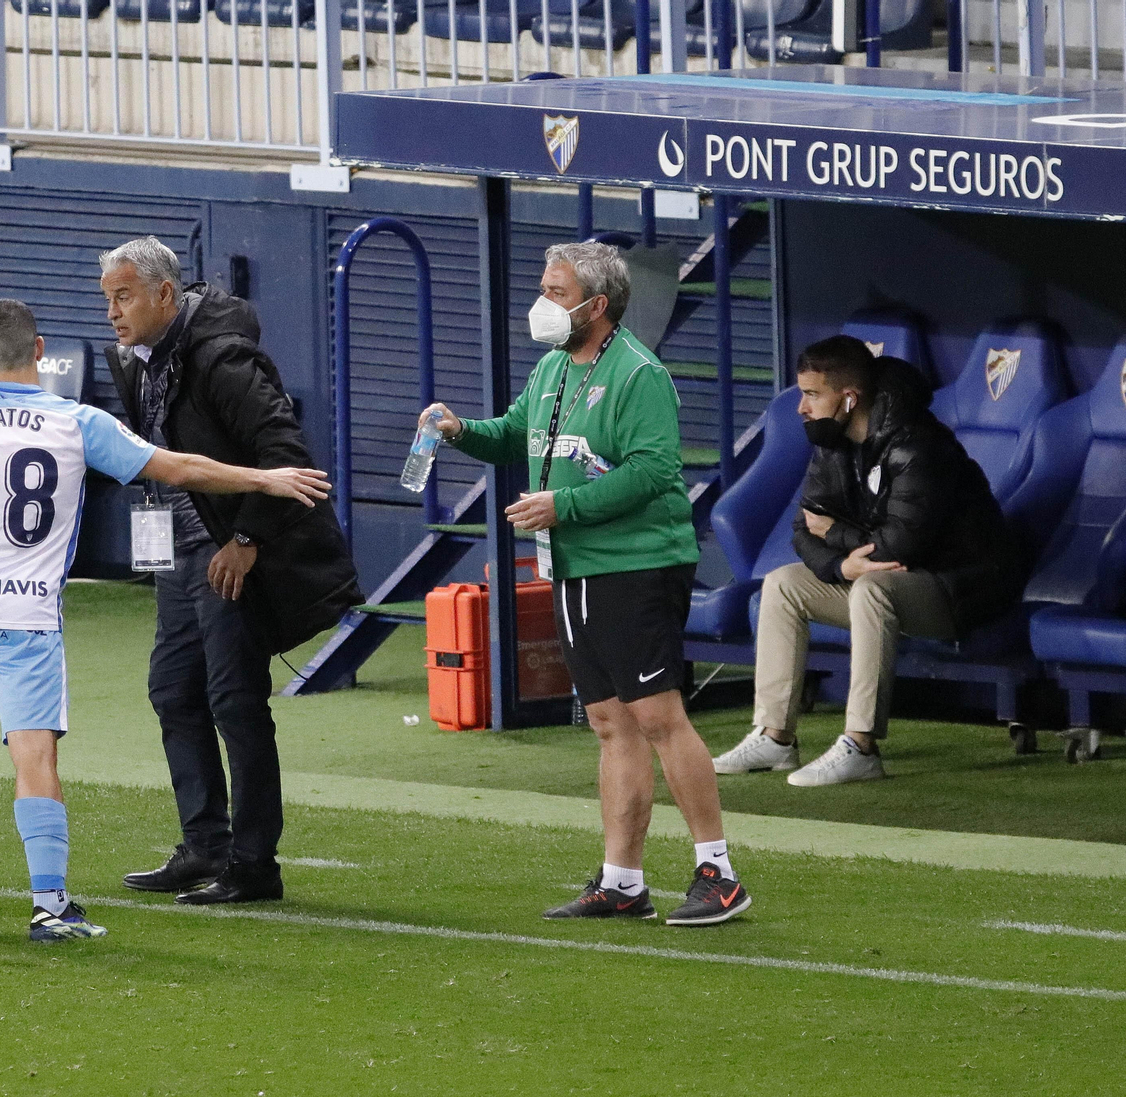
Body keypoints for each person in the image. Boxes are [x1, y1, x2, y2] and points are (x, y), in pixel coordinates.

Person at [0, 299, 332, 942]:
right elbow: (182, 467)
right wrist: (265, 479)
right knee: (35, 753)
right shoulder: (77, 422)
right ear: (42, 350)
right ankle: (50, 905)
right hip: (28, 614)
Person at [423, 241, 751, 927]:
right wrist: (459, 432)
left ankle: (719, 872)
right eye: (544, 287)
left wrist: (562, 506)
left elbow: (655, 471)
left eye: (557, 290)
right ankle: (623, 879)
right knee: (609, 722)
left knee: (659, 715)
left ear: (597, 306)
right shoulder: (553, 368)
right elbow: (516, 434)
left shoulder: (640, 374)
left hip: (636, 564)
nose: (543, 303)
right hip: (572, 566)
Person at [101, 237, 361, 906]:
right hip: (179, 551)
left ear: (164, 294)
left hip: (230, 550)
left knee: (235, 702)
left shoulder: (223, 357)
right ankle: (205, 845)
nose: (112, 312)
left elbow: (284, 450)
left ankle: (253, 863)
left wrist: (245, 538)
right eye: (107, 298)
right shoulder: (130, 358)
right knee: (171, 690)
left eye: (123, 296)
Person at [712, 337, 1025, 786]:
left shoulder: (919, 444)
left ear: (849, 398)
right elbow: (804, 529)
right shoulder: (833, 441)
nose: (801, 407)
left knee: (872, 588)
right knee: (782, 584)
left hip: (961, 590)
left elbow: (902, 547)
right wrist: (841, 566)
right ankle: (775, 737)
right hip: (891, 581)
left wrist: (839, 541)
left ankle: (860, 746)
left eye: (813, 395)